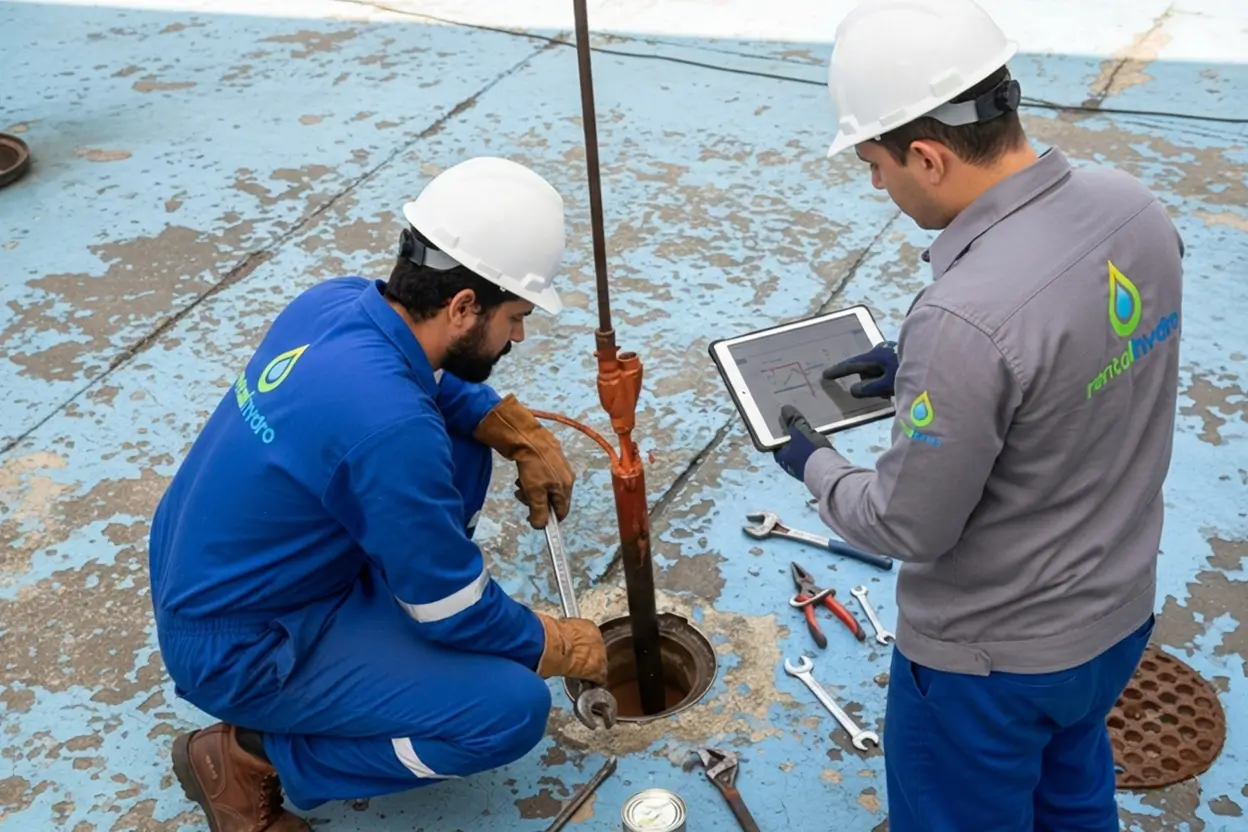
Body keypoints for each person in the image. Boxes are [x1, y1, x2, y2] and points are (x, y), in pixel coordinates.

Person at [773, 1, 1184, 829]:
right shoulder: (1134, 208)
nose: (876, 183)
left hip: (993, 666)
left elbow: (906, 525)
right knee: (1072, 795)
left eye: (875, 163)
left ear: (927, 157)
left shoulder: (964, 317)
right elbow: (1076, 367)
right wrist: (934, 378)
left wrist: (814, 463)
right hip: (1115, 620)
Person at [147, 156, 609, 831]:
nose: (518, 334)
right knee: (509, 711)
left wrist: (509, 426)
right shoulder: (391, 431)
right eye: (515, 315)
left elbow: (426, 381)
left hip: (212, 575)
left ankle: (402, 597)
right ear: (463, 306)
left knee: (461, 444)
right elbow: (459, 615)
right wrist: (552, 642)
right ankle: (250, 756)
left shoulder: (333, 302)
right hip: (244, 649)